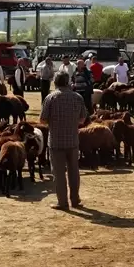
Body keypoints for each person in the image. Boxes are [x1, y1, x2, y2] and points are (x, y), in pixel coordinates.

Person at [40, 72, 88, 209]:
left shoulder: (51, 98)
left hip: (56, 141)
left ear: (55, 82)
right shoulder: (77, 97)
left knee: (59, 173)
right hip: (73, 140)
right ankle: (75, 199)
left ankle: (62, 202)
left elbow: (42, 120)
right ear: (68, 82)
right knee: (74, 171)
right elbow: (82, 119)